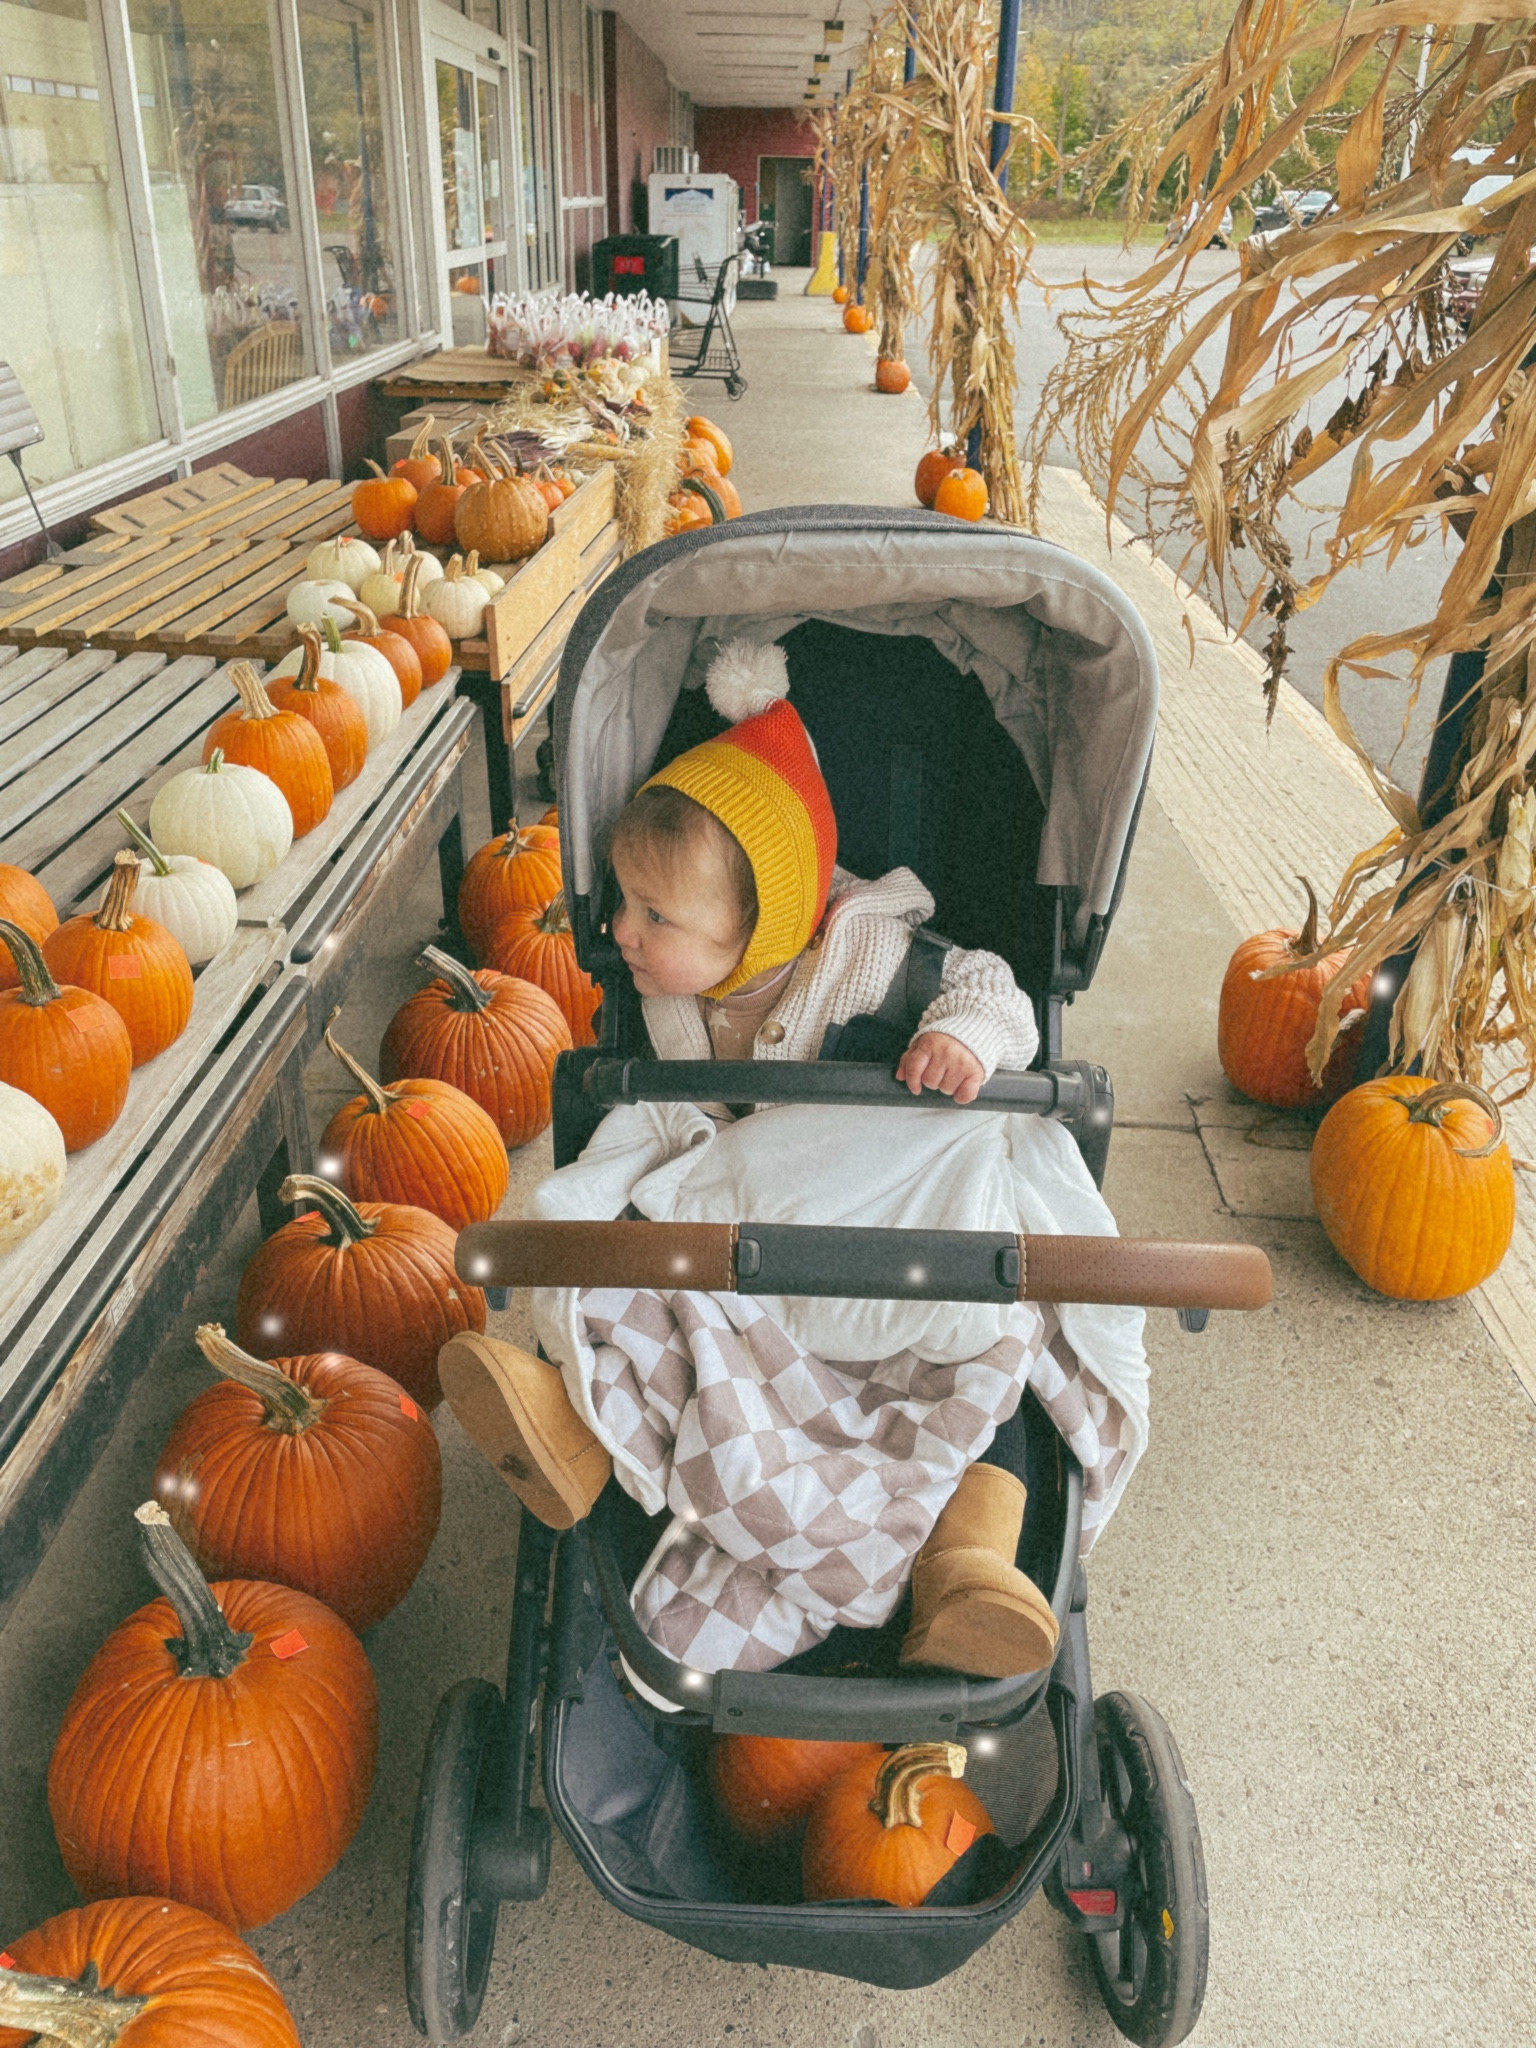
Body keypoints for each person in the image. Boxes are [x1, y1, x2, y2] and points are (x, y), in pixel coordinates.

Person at [440, 641, 1138, 1681]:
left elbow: (995, 989)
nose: (620, 930)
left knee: (994, 1336)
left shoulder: (869, 958)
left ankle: (964, 1563)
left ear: (763, 921)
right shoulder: (668, 991)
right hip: (746, 1265)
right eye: (624, 900)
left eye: (654, 914)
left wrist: (962, 1041)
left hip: (875, 1248)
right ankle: (580, 1434)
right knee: (607, 1256)